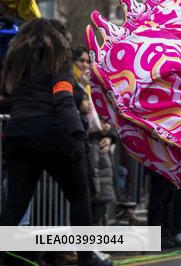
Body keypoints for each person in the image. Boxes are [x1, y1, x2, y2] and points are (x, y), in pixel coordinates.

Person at [0, 19, 112, 266]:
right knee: (79, 196)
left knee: (15, 204)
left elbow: (7, 99)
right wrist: (77, 135)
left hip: (19, 134)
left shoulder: (15, 62)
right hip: (54, 135)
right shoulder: (58, 56)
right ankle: (86, 258)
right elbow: (62, 97)